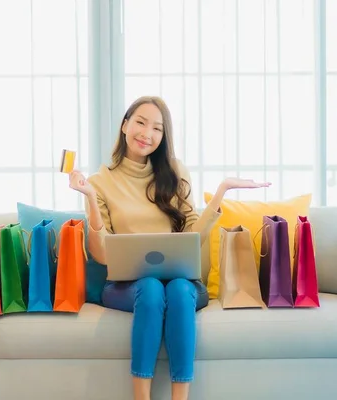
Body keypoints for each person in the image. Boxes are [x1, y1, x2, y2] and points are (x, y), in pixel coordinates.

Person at [68, 96, 270, 400]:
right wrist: (89, 198)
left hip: (181, 282)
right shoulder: (100, 181)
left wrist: (220, 193)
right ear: (124, 125)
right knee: (150, 287)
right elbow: (101, 254)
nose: (146, 133)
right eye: (140, 122)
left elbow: (192, 235)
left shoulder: (174, 171)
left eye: (157, 128)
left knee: (175, 289)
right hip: (125, 286)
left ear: (163, 137)